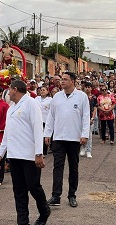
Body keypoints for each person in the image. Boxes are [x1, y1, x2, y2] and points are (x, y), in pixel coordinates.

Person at [0, 80, 49, 225]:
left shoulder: (31, 103)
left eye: (9, 90)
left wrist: (39, 153)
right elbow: (7, 133)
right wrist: (0, 153)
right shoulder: (11, 108)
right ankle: (23, 224)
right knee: (18, 190)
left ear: (15, 89)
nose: (7, 93)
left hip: (29, 155)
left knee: (33, 186)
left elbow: (38, 128)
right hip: (14, 154)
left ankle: (44, 211)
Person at [44, 72, 91, 208]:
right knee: (57, 166)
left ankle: (72, 195)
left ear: (73, 81)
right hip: (58, 137)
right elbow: (51, 117)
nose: (62, 82)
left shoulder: (82, 97)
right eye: (61, 80)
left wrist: (84, 135)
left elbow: (85, 117)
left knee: (73, 167)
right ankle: (56, 195)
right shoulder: (57, 97)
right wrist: (48, 134)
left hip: (74, 137)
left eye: (65, 80)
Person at [35, 86, 52, 156]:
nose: (42, 91)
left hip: (46, 119)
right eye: (41, 90)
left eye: (44, 90)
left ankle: (44, 152)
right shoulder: (36, 98)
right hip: (37, 119)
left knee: (45, 136)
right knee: (38, 135)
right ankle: (38, 151)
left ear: (47, 91)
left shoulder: (50, 99)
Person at [81, 81, 96, 158]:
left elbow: (95, 108)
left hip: (90, 117)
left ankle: (89, 150)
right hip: (82, 118)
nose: (87, 89)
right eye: (86, 87)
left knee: (89, 135)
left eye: (89, 87)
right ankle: (83, 148)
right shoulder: (82, 97)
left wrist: (92, 118)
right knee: (82, 134)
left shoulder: (93, 97)